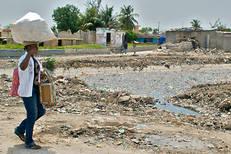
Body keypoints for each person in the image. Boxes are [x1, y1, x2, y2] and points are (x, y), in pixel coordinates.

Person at [14, 42, 45, 150]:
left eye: (36, 46)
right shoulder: (24, 57)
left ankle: (20, 129)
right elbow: (22, 67)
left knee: (41, 111)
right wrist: (28, 54)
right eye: (34, 47)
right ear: (28, 48)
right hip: (28, 91)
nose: (36, 48)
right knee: (32, 114)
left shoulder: (34, 59)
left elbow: (36, 73)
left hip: (35, 90)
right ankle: (29, 142)